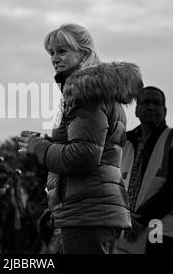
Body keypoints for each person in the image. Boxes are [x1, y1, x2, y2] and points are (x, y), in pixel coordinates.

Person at [18, 23, 142, 254]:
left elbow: (83, 156)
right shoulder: (97, 92)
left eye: (62, 51)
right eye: (52, 52)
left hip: (87, 212)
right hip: (94, 210)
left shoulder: (85, 94)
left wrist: (39, 147)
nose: (55, 58)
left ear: (84, 53)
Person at [115, 86, 173, 254]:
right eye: (146, 102)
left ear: (164, 111)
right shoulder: (124, 143)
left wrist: (140, 220)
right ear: (136, 111)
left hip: (161, 231)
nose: (151, 107)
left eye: (156, 103)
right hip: (126, 232)